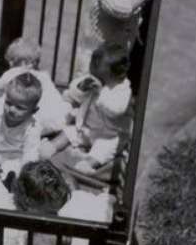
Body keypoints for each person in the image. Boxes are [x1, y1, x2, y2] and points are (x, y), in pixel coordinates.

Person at [41, 42, 133, 175]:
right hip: (87, 128)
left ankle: (87, 164)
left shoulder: (122, 90)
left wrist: (101, 92)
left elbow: (115, 110)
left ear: (117, 75)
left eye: (101, 77)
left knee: (101, 150)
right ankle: (51, 147)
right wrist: (81, 87)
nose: (95, 79)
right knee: (68, 133)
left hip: (109, 136)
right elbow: (73, 94)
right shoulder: (95, 80)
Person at [0, 37, 72, 135]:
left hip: (37, 123)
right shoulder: (44, 76)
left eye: (11, 61)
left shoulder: (13, 73)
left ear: (13, 61)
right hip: (57, 120)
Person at [0, 72, 43, 184]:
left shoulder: (33, 127)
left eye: (20, 108)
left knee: (16, 169)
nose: (12, 109)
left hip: (12, 156)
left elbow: (30, 154)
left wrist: (25, 173)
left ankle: (9, 182)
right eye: (8, 103)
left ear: (33, 111)